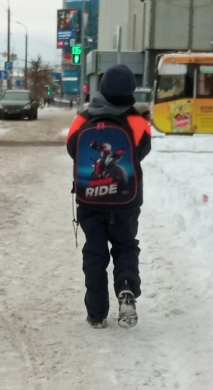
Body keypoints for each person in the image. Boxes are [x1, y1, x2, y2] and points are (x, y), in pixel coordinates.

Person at [65, 64, 152, 329]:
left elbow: (72, 148)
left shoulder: (83, 118)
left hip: (90, 199)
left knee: (95, 253)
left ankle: (96, 313)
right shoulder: (137, 121)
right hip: (126, 200)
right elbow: (142, 151)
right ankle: (126, 288)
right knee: (125, 246)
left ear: (102, 89)